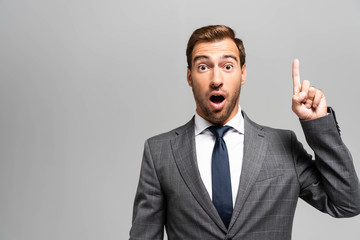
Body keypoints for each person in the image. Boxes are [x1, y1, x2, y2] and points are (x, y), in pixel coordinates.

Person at [129, 25, 360, 240]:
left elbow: (347, 203)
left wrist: (318, 124)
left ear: (243, 73)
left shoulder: (283, 145)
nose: (216, 80)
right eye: (203, 67)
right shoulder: (159, 151)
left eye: (227, 66)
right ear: (190, 76)